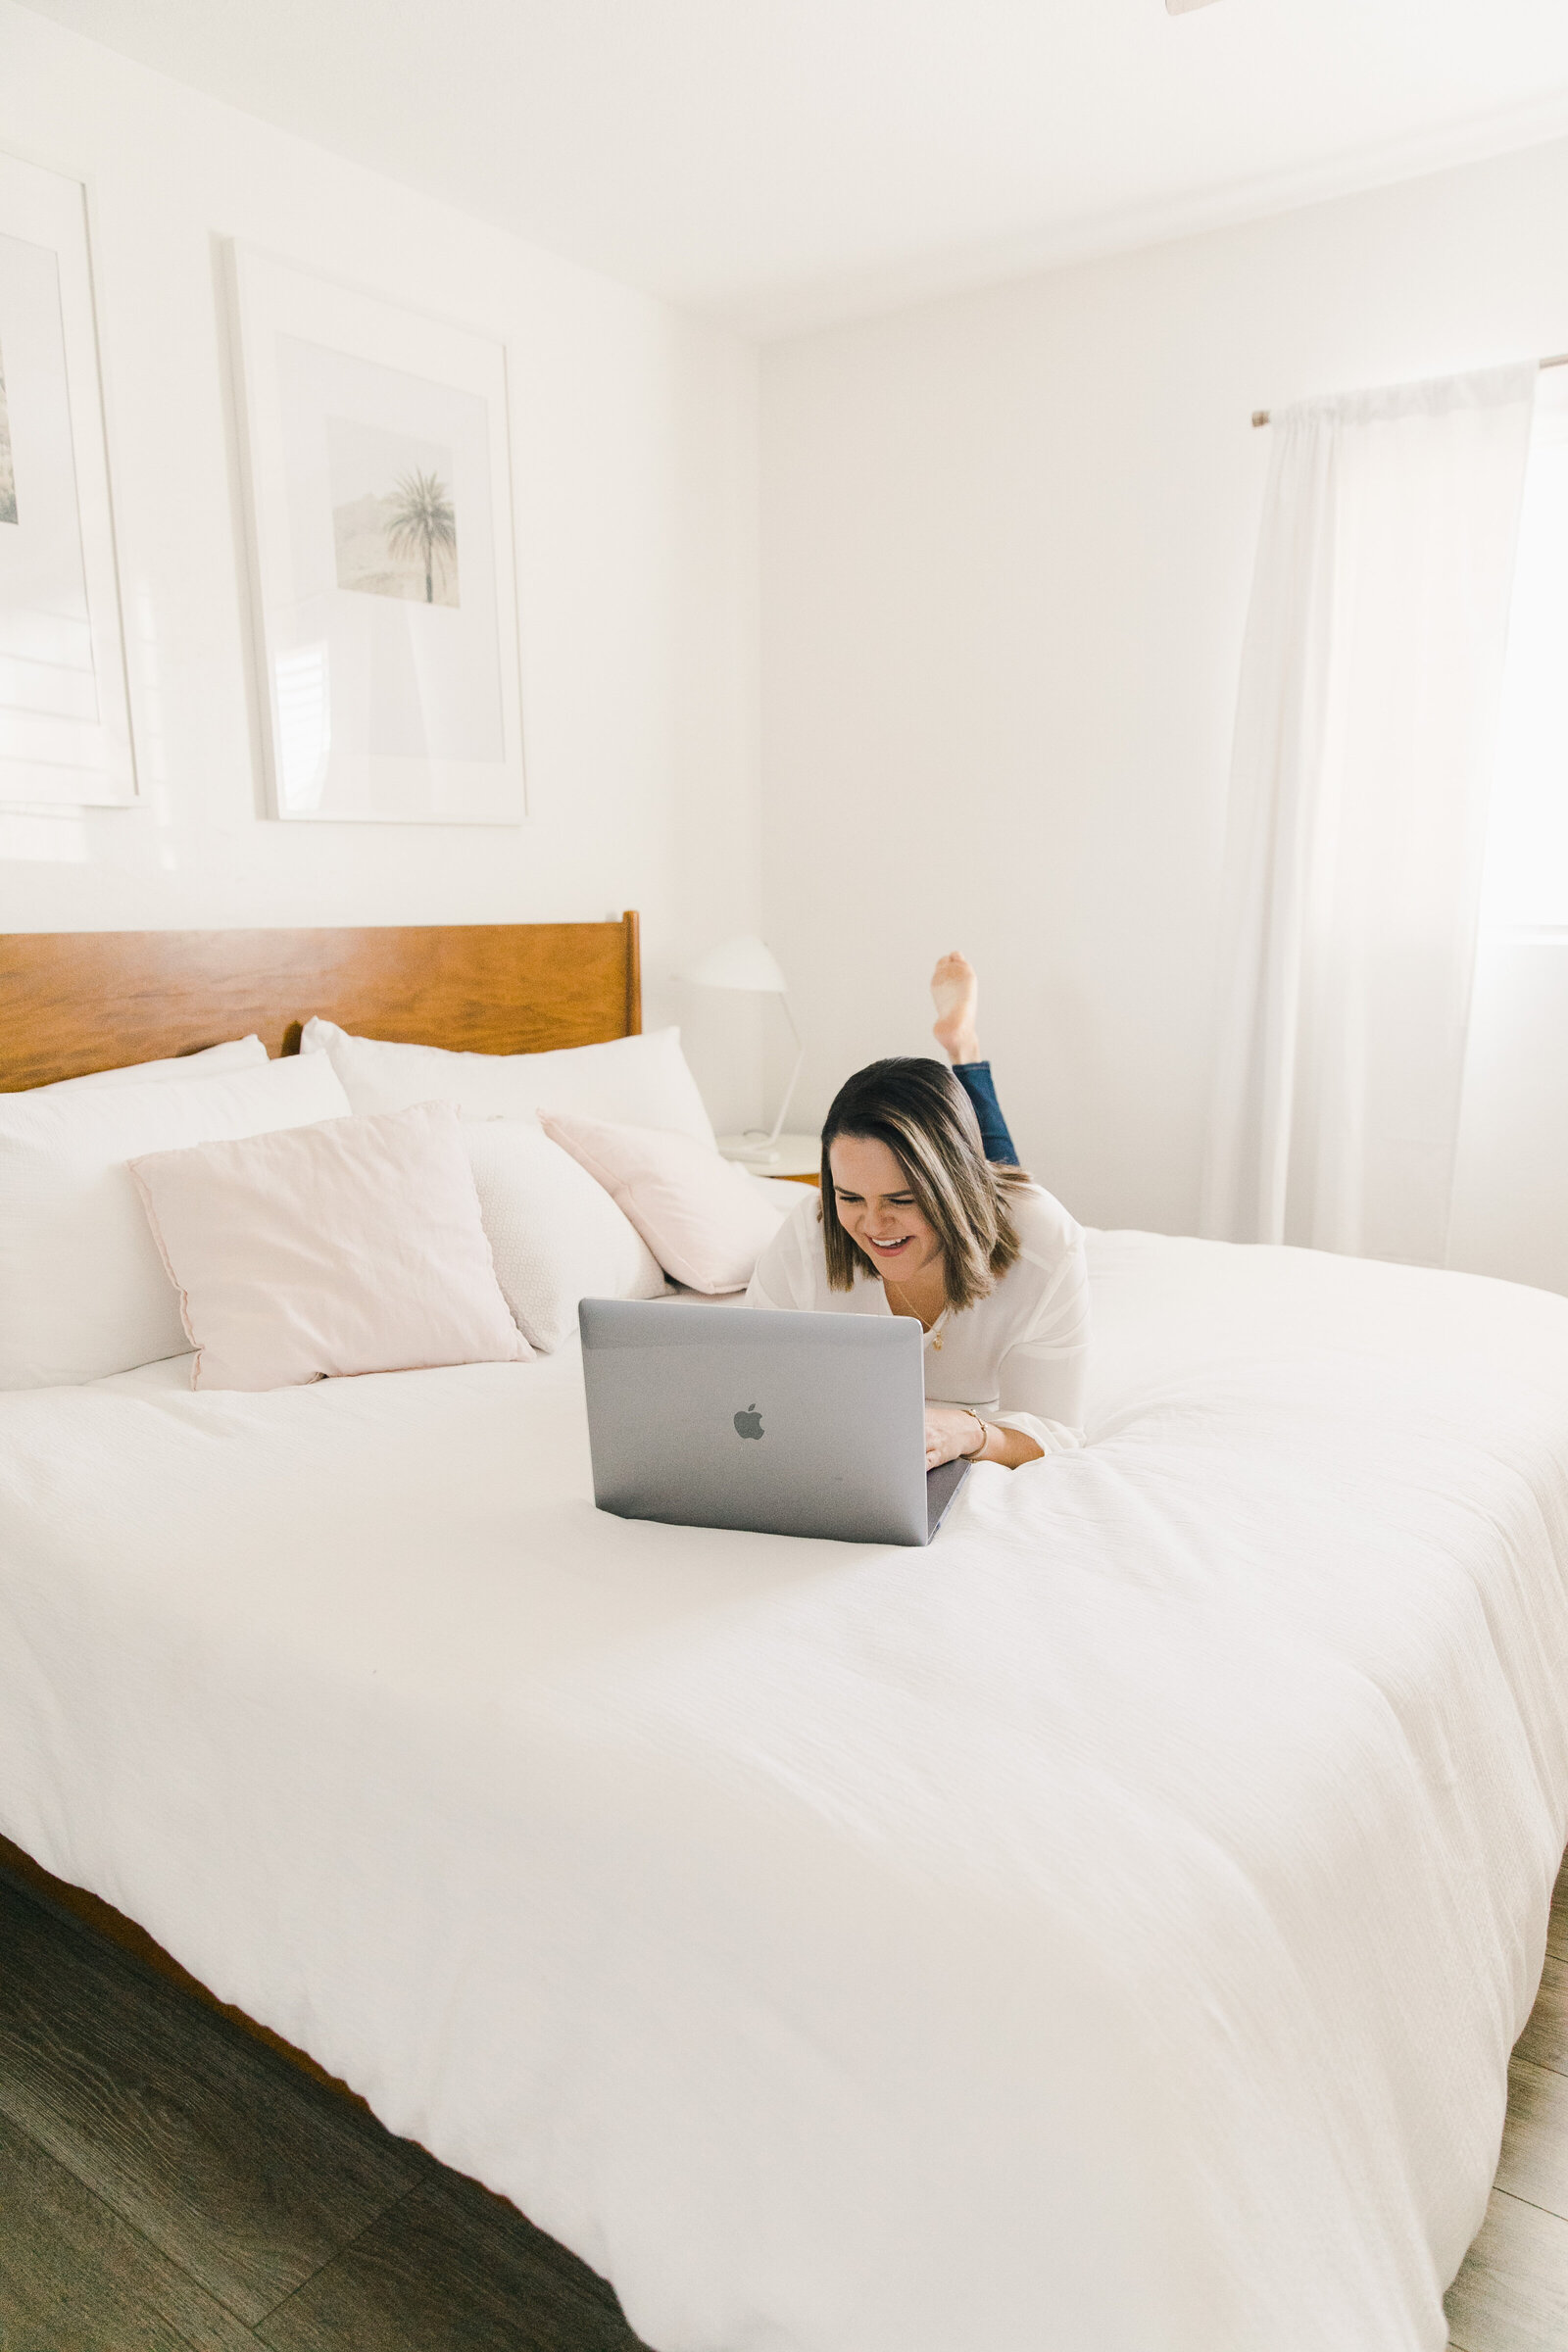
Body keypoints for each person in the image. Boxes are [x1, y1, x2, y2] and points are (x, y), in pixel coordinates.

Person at [746, 956, 1088, 1469]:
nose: (873, 1225)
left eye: (901, 1201)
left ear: (953, 1190)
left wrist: (972, 1433)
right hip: (963, 1188)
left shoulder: (1047, 1243)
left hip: (990, 1205)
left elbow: (1056, 1433)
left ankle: (964, 1048)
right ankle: (961, 1051)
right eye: (850, 1197)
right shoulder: (810, 1229)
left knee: (997, 1162)